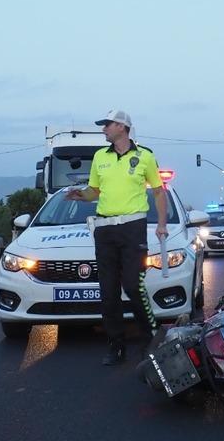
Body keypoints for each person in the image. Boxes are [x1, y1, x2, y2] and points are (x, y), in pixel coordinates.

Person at [66, 109, 167, 365]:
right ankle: (116, 346)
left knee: (133, 286)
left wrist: (162, 224)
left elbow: (158, 192)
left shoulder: (145, 156)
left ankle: (150, 338)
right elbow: (95, 192)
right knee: (108, 292)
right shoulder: (100, 156)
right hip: (104, 229)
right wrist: (81, 195)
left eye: (107, 125)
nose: (103, 129)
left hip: (133, 228)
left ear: (122, 127)